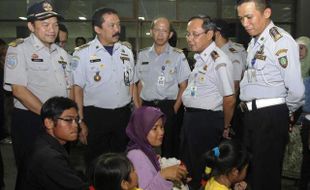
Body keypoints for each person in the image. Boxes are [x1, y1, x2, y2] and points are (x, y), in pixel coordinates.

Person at [3, 1, 73, 189]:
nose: (52, 29)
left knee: (57, 170)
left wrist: (70, 118)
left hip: (58, 121)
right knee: (30, 172)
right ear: (31, 26)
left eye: (55, 24)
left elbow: (69, 87)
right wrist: (49, 117)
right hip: (32, 120)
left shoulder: (62, 54)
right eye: (45, 24)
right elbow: (19, 90)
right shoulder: (19, 49)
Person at [236, 0, 305, 189]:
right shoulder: (255, 42)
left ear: (266, 13)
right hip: (252, 116)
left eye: (249, 17)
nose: (244, 23)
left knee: (265, 175)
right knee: (251, 173)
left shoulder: (280, 41)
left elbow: (297, 91)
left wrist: (284, 112)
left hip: (270, 116)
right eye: (241, 18)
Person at [72, 7, 134, 166]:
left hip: (122, 115)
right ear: (97, 29)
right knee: (95, 161)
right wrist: (80, 120)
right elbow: (77, 89)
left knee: (121, 161)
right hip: (96, 117)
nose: (117, 29)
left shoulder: (126, 51)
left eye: (118, 25)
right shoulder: (82, 53)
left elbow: (132, 83)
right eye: (112, 25)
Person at [180, 15, 235, 189]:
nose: (189, 38)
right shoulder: (200, 58)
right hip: (192, 119)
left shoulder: (219, 60)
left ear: (210, 33)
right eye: (188, 34)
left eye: (195, 34)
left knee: (202, 167)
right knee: (189, 165)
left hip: (206, 122)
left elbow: (229, 98)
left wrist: (226, 127)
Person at [133, 17, 191, 158]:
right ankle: (148, 177)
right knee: (145, 146)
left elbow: (184, 85)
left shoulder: (178, 55)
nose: (160, 34)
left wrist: (174, 109)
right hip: (146, 106)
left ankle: (170, 178)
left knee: (170, 146)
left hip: (168, 106)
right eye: (157, 30)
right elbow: (138, 83)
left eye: (164, 31)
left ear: (170, 34)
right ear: (151, 32)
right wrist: (139, 107)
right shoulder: (142, 55)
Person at [25, 97, 88, 190]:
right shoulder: (50, 157)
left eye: (76, 119)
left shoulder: (42, 140)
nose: (75, 125)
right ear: (49, 123)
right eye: (68, 120)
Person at [126, 106, 189, 190]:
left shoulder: (145, 148)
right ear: (141, 129)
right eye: (155, 128)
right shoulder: (136, 155)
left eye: (162, 127)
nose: (161, 132)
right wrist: (164, 174)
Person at [296, 36, 310, 190]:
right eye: (296, 48)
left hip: (306, 120)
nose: (298, 51)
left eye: (302, 48)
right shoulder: (291, 67)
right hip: (292, 118)